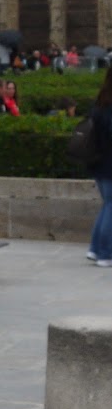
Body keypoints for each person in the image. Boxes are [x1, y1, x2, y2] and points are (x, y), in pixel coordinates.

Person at [86, 65, 112, 266]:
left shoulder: (100, 103)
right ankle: (105, 253)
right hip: (109, 163)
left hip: (99, 162)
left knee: (107, 205)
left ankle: (95, 249)